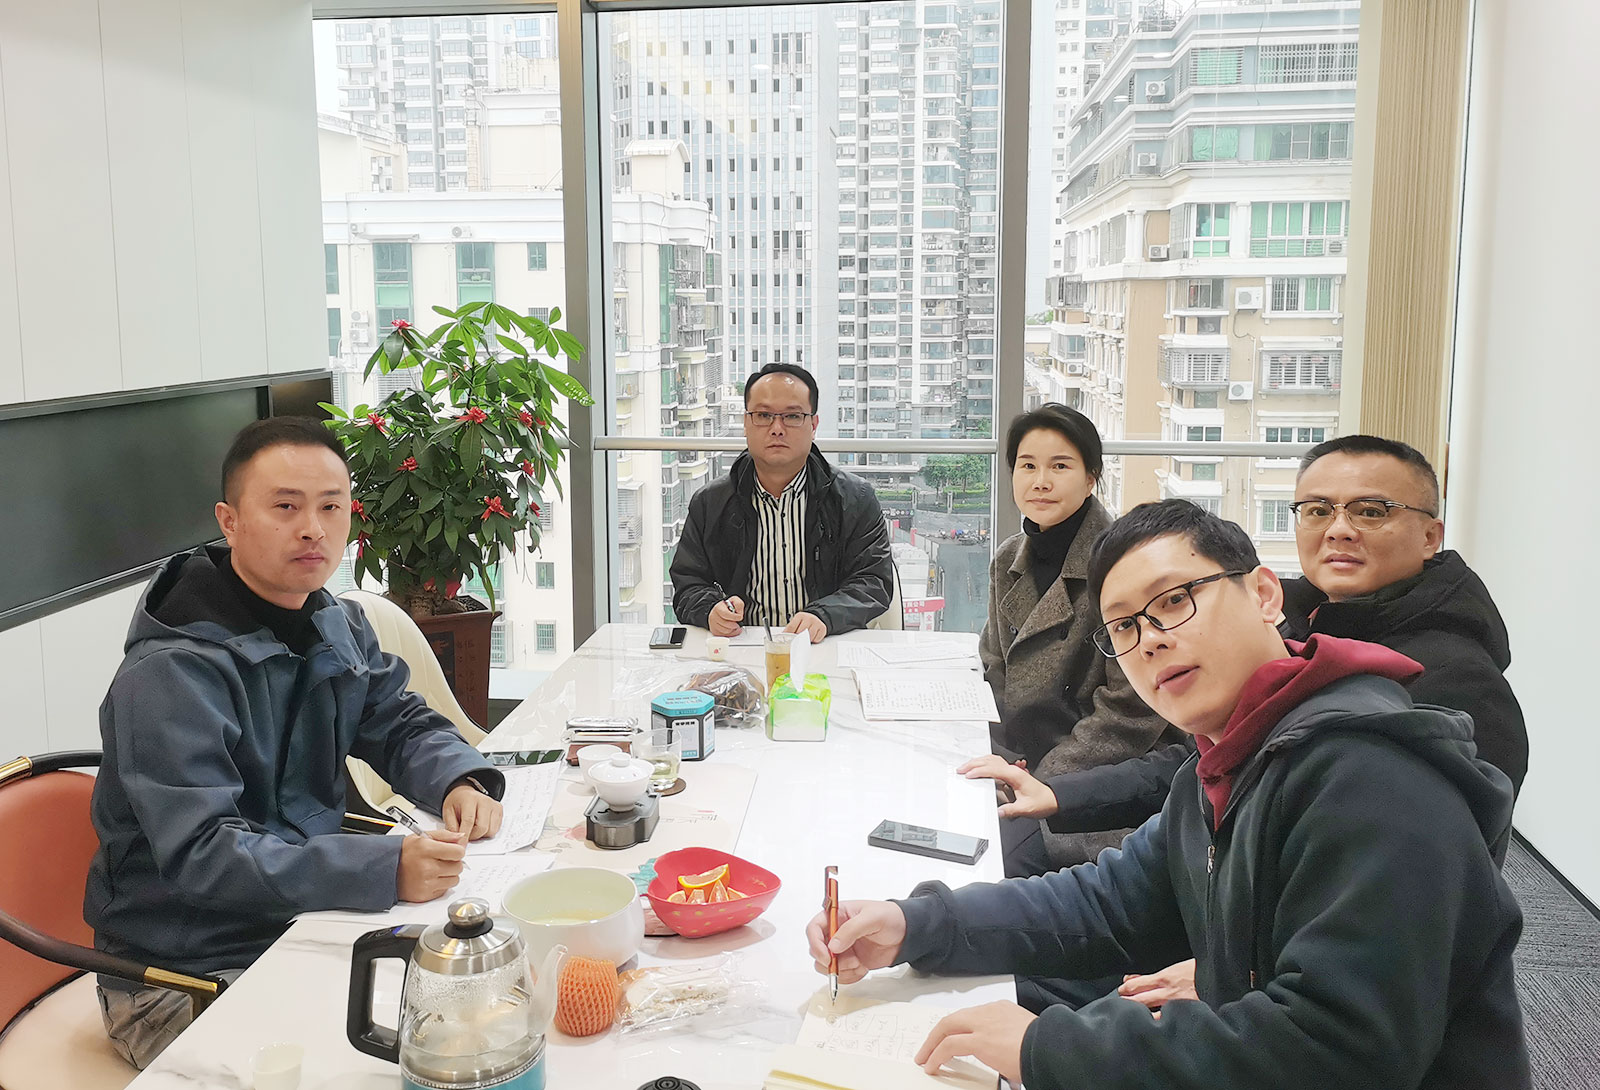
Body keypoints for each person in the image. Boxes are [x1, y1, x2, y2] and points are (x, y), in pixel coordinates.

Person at [808, 500, 1529, 1090]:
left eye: (1175, 601)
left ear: (1264, 594)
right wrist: (916, 924)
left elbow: (1338, 1051)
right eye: (1124, 626)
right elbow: (1104, 903)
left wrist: (1049, 1050)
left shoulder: (1369, 777)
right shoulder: (1224, 760)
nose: (1149, 640)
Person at [85, 418, 505, 1069]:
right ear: (229, 521)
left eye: (331, 507)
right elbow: (204, 855)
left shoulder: (334, 620)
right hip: (183, 977)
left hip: (303, 925)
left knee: (478, 1013)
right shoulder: (170, 675)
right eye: (285, 507)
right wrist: (382, 868)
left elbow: (396, 720)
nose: (313, 528)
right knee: (380, 1062)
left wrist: (458, 778)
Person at [967, 434, 1527, 874]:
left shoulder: (1458, 681)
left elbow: (1440, 882)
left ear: (1431, 535)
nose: (1339, 530)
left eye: (1371, 511)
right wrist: (1060, 793)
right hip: (1218, 868)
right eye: (1316, 510)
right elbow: (1203, 761)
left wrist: (1221, 965)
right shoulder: (1298, 618)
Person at [962, 404, 1177, 878]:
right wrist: (1003, 762)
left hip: (1101, 783)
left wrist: (1043, 781)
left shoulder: (1124, 564)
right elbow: (993, 668)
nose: (1040, 482)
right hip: (1022, 766)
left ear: (1091, 477)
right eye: (1027, 466)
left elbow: (1132, 710)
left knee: (990, 867)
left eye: (1060, 466)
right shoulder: (1008, 559)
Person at [670, 363, 894, 641]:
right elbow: (688, 583)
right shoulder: (710, 503)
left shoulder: (855, 499)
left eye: (793, 416)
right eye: (763, 415)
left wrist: (825, 615)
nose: (777, 428)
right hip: (741, 646)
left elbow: (873, 582)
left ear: (813, 425)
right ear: (746, 423)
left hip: (823, 644)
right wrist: (710, 610)